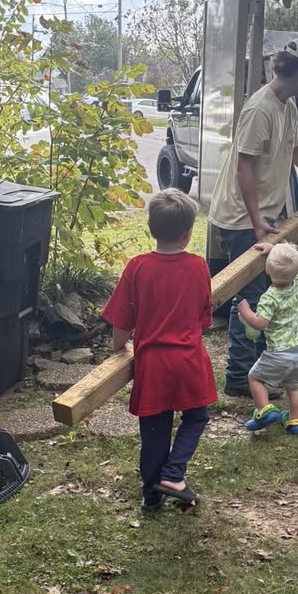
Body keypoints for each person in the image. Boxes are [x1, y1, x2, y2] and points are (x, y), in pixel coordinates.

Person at [208, 36, 298, 398]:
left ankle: (254, 370)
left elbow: (293, 148)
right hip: (241, 218)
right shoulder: (260, 109)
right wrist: (256, 221)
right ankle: (238, 377)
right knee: (248, 295)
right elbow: (244, 167)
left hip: (262, 214)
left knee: (263, 292)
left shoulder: (288, 105)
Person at [102, 189, 216, 512]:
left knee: (154, 432)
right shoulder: (198, 267)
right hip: (189, 360)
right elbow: (203, 318)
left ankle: (152, 497)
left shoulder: (137, 267)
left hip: (152, 365)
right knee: (197, 417)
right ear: (187, 233)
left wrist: (118, 347)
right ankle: (174, 472)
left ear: (150, 227)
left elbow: (122, 319)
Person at [237, 241, 298, 435]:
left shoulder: (270, 297)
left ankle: (265, 410)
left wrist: (245, 312)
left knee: (255, 378)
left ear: (267, 271)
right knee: (295, 387)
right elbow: (293, 260)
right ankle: (295, 421)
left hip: (279, 353)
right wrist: (275, 250)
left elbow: (260, 324)